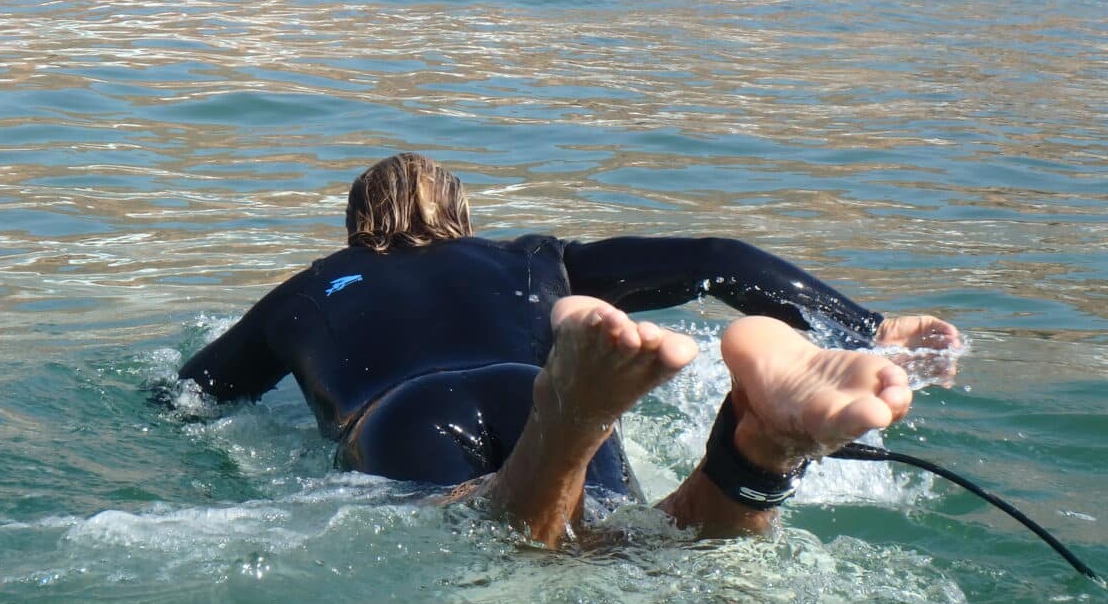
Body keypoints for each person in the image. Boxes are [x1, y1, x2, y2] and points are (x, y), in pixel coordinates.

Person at [177, 153, 959, 547]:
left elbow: (189, 399)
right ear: (464, 218)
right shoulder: (530, 257)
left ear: (353, 230)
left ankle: (572, 420)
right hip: (532, 376)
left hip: (402, 416)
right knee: (637, 544)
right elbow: (714, 255)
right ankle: (756, 451)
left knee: (497, 545)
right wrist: (866, 324)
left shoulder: (304, 293)